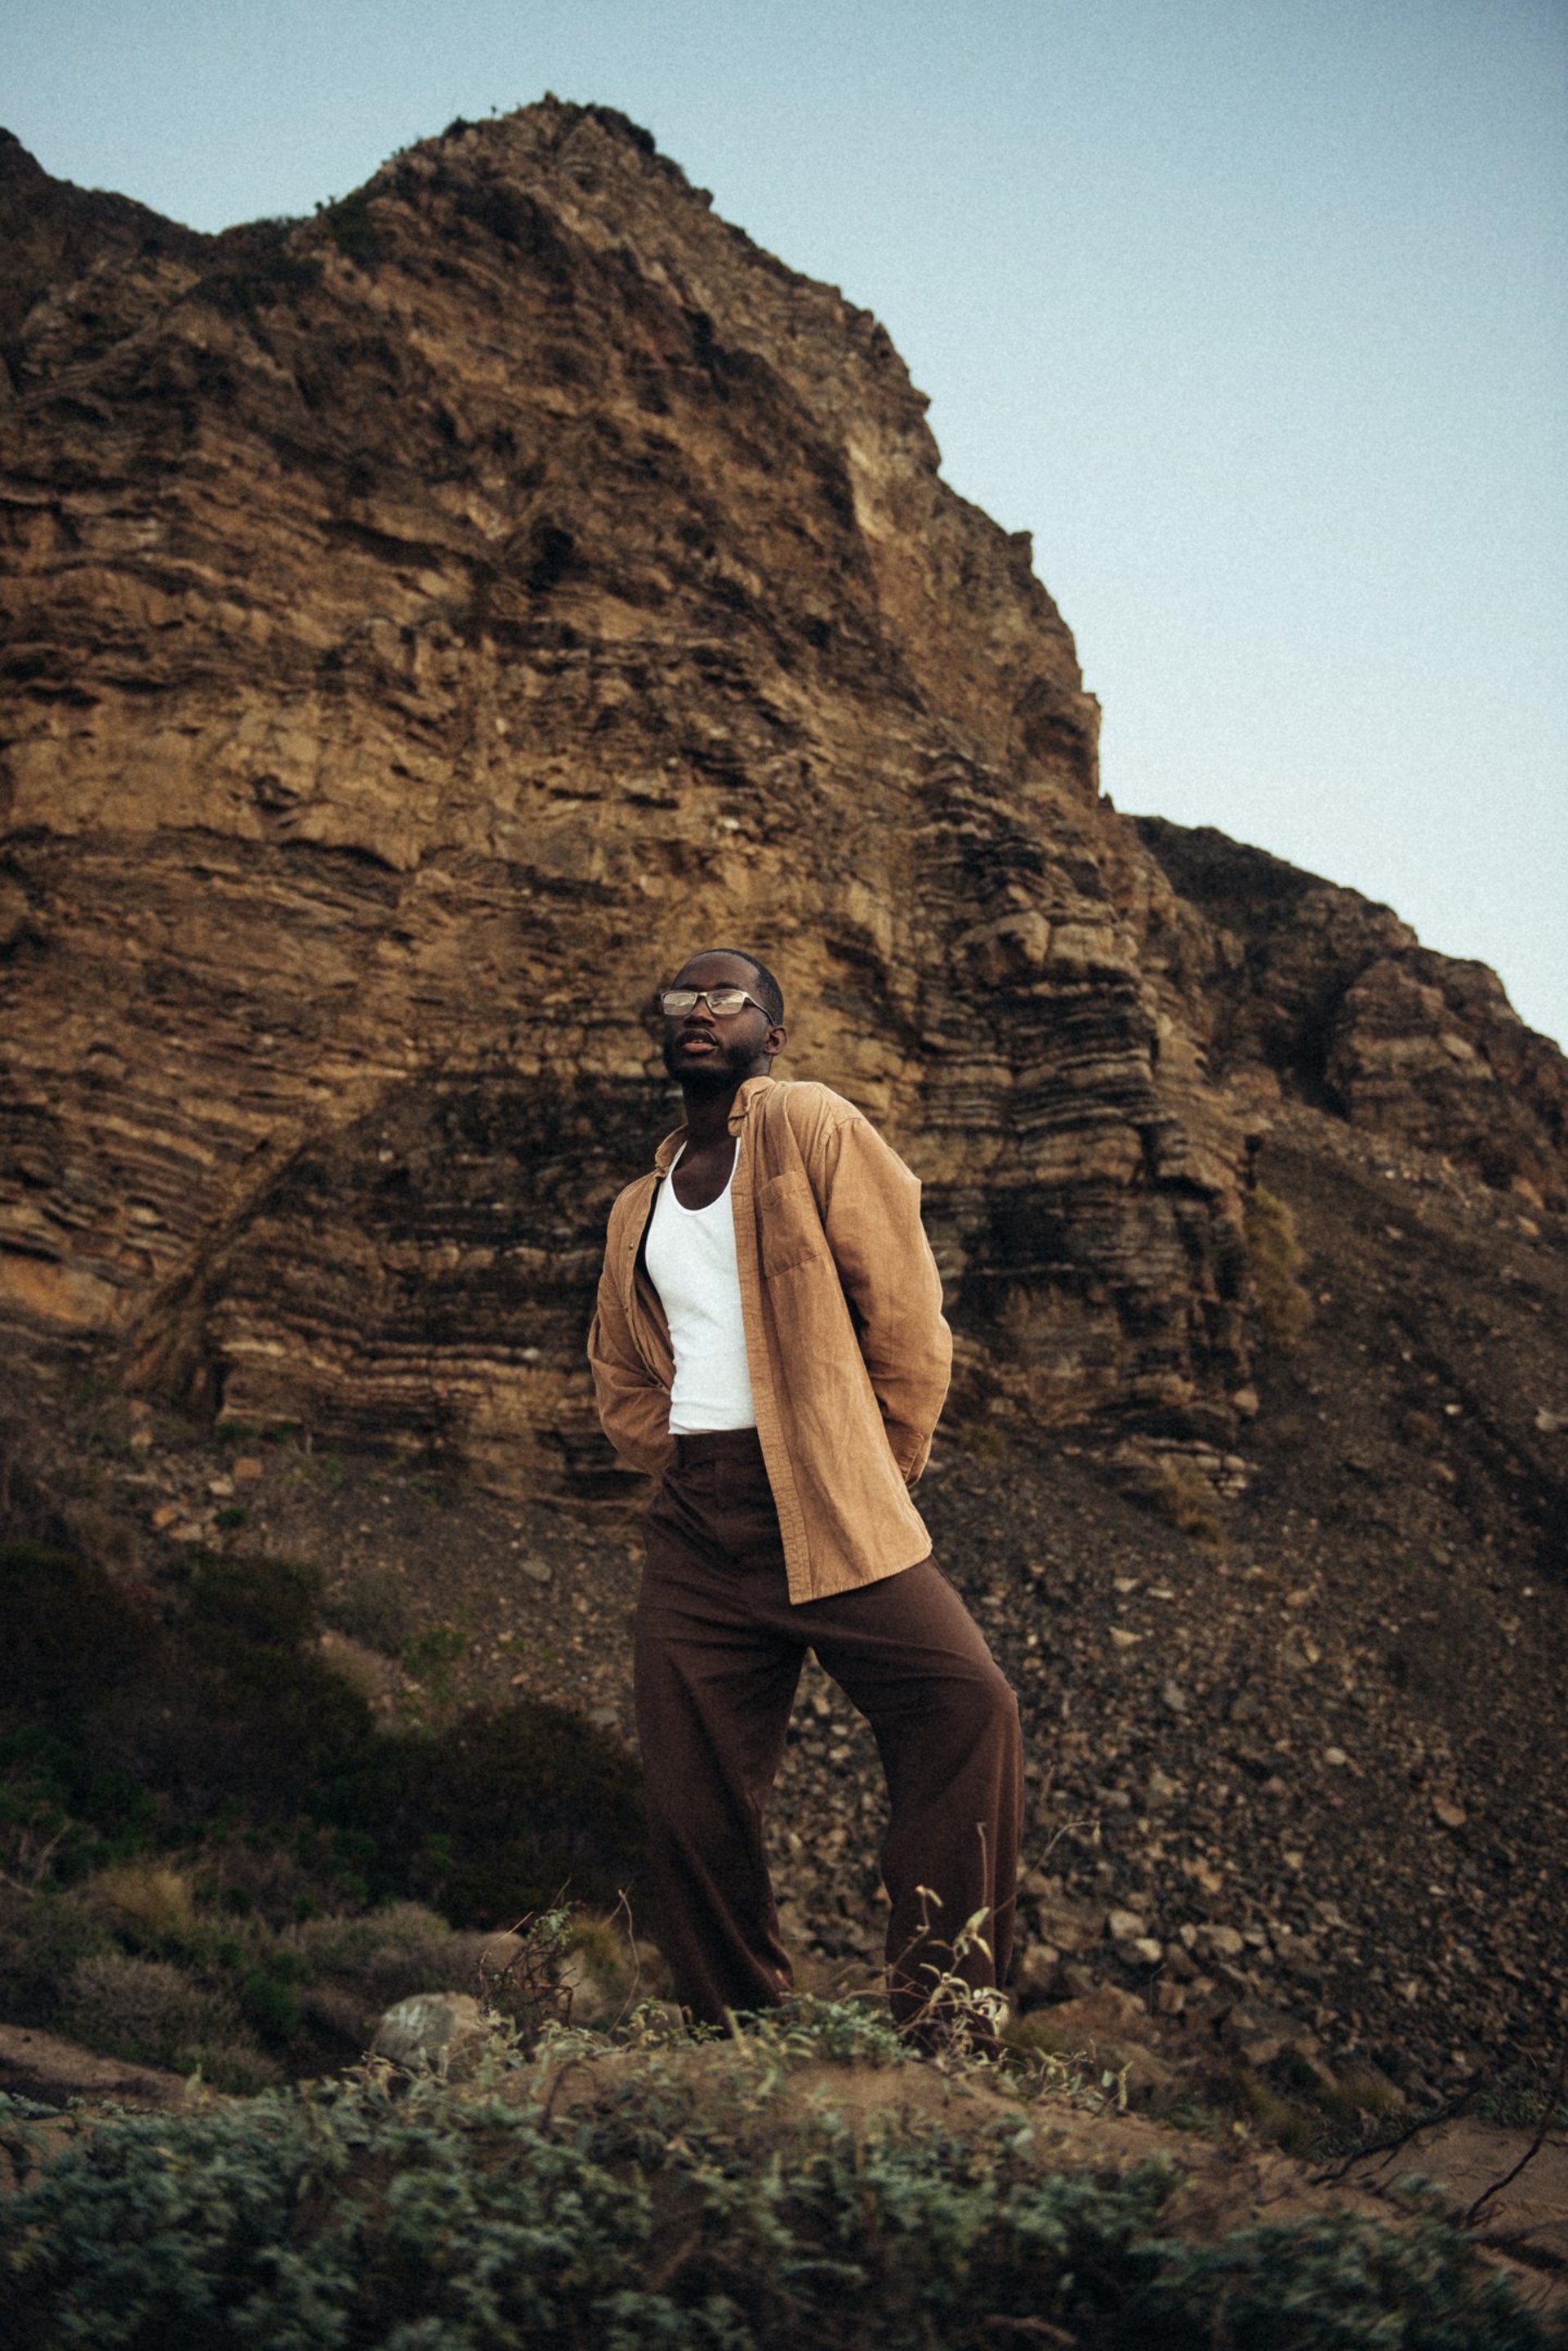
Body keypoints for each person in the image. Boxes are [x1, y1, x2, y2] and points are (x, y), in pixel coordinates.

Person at [588, 947, 1022, 2034]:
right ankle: (738, 2034)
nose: (699, 1009)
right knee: (693, 1799)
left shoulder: (810, 1126)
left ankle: (946, 2024)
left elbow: (910, 1314)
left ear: (771, 1035)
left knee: (969, 1706)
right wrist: (682, 1452)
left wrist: (869, 1460)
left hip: (828, 1495)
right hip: (698, 1522)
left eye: (728, 997)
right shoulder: (634, 1204)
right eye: (681, 996)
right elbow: (619, 1368)